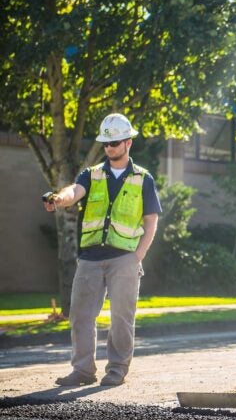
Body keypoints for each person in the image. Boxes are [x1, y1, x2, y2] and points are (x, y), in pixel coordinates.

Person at [43, 113, 161, 387]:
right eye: (106, 143)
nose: (109, 148)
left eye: (115, 142)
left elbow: (151, 220)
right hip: (90, 258)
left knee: (121, 318)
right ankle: (82, 371)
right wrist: (59, 199)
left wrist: (137, 257)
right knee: (81, 315)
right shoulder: (91, 174)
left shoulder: (143, 179)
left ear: (128, 142)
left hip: (124, 258)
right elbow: (74, 192)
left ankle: (117, 370)